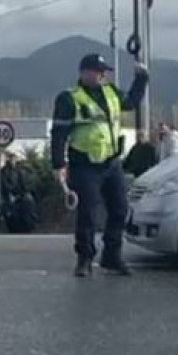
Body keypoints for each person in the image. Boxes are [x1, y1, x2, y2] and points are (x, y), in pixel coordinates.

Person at [50, 53, 148, 277]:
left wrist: (141, 79)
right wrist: (58, 164)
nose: (103, 74)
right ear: (84, 72)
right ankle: (84, 258)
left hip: (112, 163)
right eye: (98, 70)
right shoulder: (69, 98)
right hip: (85, 164)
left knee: (120, 210)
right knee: (88, 214)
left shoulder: (111, 92)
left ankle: (112, 256)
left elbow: (131, 102)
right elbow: (59, 133)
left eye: (104, 71)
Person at [0, 151, 38, 233]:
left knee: (29, 203)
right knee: (10, 208)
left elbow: (25, 181)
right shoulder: (5, 170)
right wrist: (11, 192)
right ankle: (12, 224)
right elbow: (5, 183)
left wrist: (25, 190)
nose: (13, 160)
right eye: (11, 158)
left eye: (14, 158)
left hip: (22, 193)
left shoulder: (21, 169)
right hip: (11, 194)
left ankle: (30, 223)